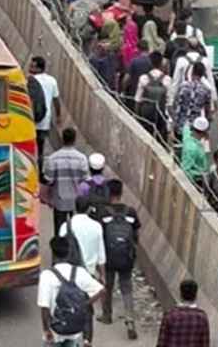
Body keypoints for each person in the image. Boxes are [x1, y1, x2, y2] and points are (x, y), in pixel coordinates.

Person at [37, 237, 103, 347]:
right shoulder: (79, 272)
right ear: (69, 254)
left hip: (55, 330)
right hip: (74, 330)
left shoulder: (47, 276)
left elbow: (44, 307)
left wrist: (46, 329)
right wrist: (84, 304)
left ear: (53, 254)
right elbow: (101, 290)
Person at [98, 180, 139, 339]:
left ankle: (107, 315)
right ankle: (130, 321)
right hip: (126, 257)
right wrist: (132, 252)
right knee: (126, 288)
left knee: (107, 285)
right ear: (121, 193)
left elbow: (99, 235)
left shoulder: (103, 213)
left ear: (108, 193)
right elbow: (136, 234)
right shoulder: (131, 212)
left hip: (108, 257)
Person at [43, 127, 89, 235]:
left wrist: (48, 197)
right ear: (74, 140)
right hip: (76, 201)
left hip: (59, 200)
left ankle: (59, 251)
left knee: (60, 231)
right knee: (77, 232)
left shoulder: (53, 158)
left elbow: (48, 180)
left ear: (63, 139)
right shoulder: (81, 158)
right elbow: (85, 180)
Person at [156, 279, 209, 347]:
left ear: (180, 294)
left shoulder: (170, 316)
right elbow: (205, 344)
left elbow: (161, 344)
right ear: (196, 296)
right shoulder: (202, 318)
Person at [29, 56, 60, 160]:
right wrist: (58, 116)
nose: (30, 68)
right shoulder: (52, 80)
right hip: (45, 119)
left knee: (30, 148)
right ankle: (40, 169)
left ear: (39, 68)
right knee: (41, 147)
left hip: (30, 119)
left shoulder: (29, 81)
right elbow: (56, 100)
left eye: (32, 66)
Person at [180, 116, 211, 183]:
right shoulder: (193, 149)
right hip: (195, 181)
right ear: (205, 132)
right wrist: (201, 174)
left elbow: (186, 128)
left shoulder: (187, 137)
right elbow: (186, 169)